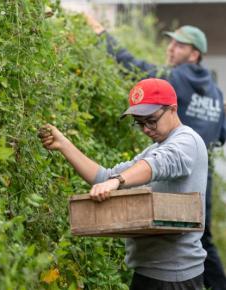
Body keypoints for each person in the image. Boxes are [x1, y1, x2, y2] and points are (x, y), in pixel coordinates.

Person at [84, 15, 226, 290]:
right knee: (199, 237)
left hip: (174, 171)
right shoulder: (216, 93)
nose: (170, 49)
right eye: (170, 43)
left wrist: (102, 36)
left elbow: (135, 68)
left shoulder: (175, 79)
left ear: (194, 54)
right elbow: (221, 134)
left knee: (180, 242)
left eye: (179, 45)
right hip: (199, 175)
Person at [39, 78, 208, 290]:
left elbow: (158, 164)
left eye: (151, 120)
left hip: (175, 277)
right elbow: (105, 177)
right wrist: (64, 145)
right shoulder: (154, 149)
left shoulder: (187, 141)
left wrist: (117, 182)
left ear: (172, 109)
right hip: (148, 271)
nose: (146, 129)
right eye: (139, 122)